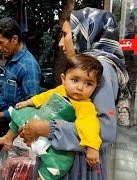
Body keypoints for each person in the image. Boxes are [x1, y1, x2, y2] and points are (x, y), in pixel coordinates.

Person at [19, 7, 131, 180]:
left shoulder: (100, 69)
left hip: (78, 166)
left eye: (65, 35)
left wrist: (46, 129)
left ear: (86, 32)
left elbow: (104, 132)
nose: (61, 43)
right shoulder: (88, 67)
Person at [0, 54, 103, 179]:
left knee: (61, 163)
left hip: (54, 140)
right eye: (75, 80)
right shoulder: (60, 90)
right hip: (37, 122)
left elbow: (90, 126)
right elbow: (44, 96)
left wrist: (92, 148)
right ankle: (8, 137)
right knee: (21, 112)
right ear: (63, 78)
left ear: (96, 86)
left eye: (88, 84)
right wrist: (29, 102)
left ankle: (43, 177)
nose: (79, 87)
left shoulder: (85, 106)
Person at [0, 17, 41, 148]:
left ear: (14, 39)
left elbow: (30, 107)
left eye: (1, 42)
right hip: (5, 124)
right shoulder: (11, 60)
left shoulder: (28, 66)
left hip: (17, 131)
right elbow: (9, 96)